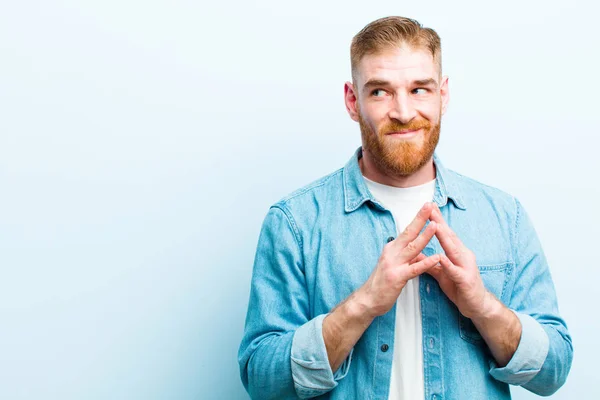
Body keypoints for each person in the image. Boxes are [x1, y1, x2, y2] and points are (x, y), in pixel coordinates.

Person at [237, 16, 573, 400]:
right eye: (380, 91)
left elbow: (554, 372)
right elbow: (261, 381)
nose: (403, 111)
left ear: (442, 96)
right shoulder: (294, 223)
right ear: (352, 100)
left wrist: (482, 306)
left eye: (419, 90)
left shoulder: (504, 217)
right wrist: (363, 304)